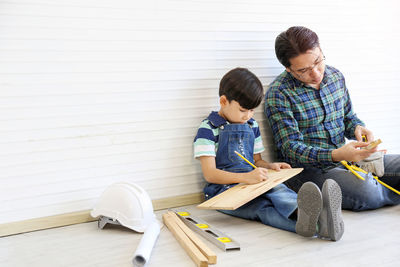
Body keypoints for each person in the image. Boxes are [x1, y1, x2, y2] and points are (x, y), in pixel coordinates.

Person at [194, 67, 344, 241]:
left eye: (252, 110)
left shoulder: (251, 125)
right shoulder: (208, 128)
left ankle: (318, 221)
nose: (248, 116)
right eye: (243, 110)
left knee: (277, 189)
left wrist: (270, 166)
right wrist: (246, 178)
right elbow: (210, 174)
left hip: (251, 181)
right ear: (223, 101)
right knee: (262, 208)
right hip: (222, 192)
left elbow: (257, 161)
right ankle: (316, 222)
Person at [265, 26, 400, 211]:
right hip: (307, 171)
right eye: (304, 70)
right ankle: (379, 187)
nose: (316, 73)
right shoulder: (279, 94)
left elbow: (348, 117)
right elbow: (291, 149)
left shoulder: (335, 76)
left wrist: (357, 128)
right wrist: (336, 155)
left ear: (321, 50)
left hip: (349, 159)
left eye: (318, 61)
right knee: (366, 191)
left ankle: (376, 184)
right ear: (288, 69)